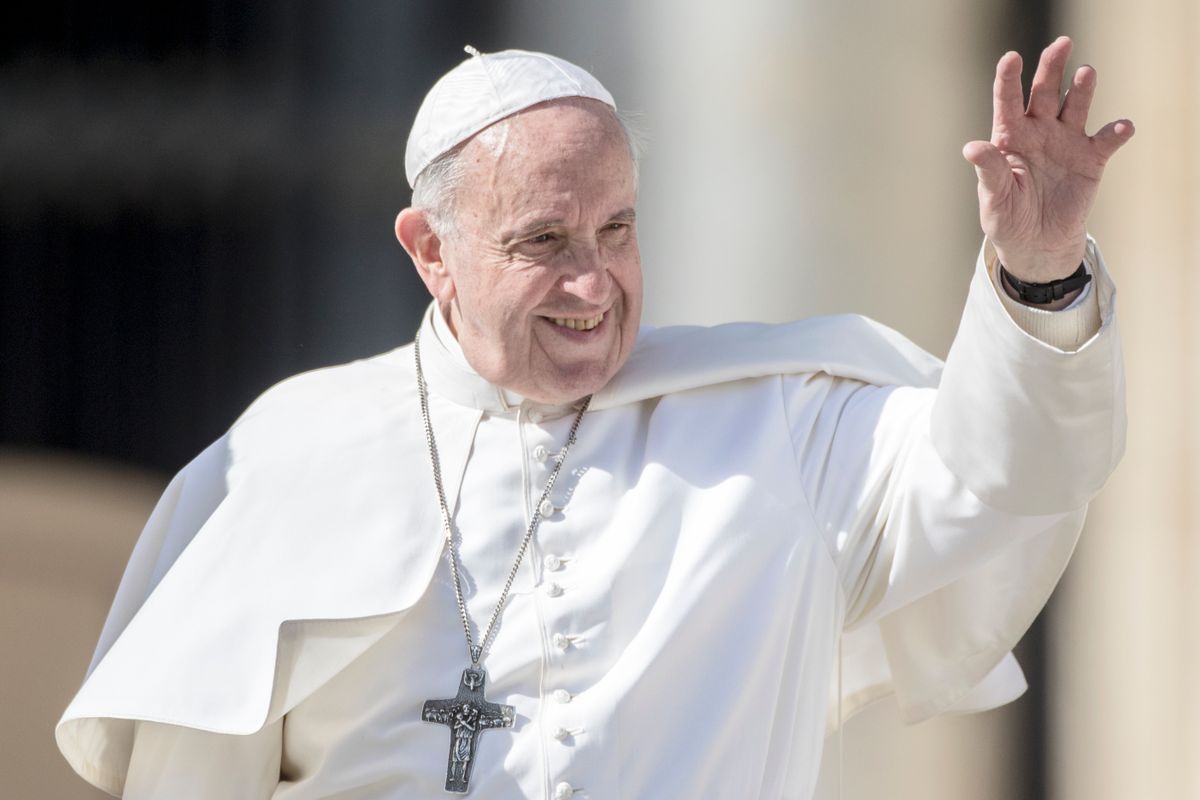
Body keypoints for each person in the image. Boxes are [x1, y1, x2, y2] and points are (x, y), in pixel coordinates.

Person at [58, 39, 1132, 799]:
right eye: (542, 241)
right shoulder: (287, 459)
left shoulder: (780, 422)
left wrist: (1036, 276)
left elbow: (1008, 471)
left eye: (617, 227)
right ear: (431, 251)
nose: (594, 283)